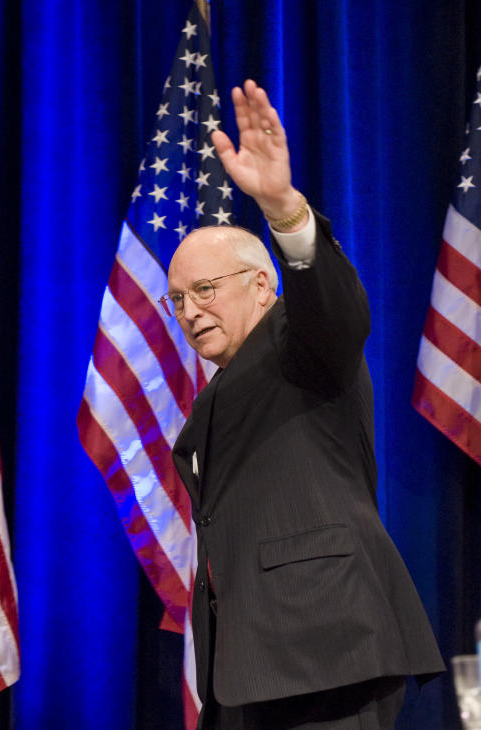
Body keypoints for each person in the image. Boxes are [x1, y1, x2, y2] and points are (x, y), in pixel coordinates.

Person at [164, 80, 445, 728]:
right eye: (176, 299)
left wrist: (287, 213)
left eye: (204, 289)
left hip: (325, 644)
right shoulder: (223, 386)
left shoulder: (301, 341)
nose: (189, 310)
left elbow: (337, 309)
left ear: (263, 284)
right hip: (250, 665)